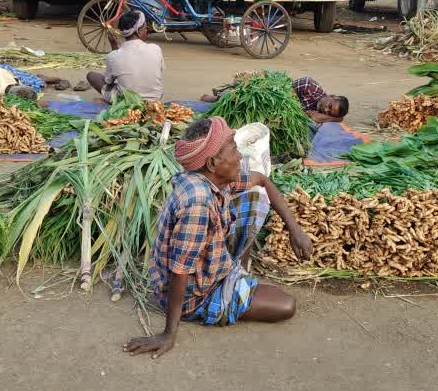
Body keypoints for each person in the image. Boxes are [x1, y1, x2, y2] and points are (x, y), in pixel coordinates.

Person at [124, 117, 313, 359]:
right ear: (213, 163)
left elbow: (263, 180)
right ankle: (206, 302)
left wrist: (294, 229)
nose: (240, 157)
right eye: (234, 150)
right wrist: (169, 333)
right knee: (286, 306)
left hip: (211, 265)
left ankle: (234, 275)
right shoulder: (198, 203)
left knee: (253, 197)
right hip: (195, 295)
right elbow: (180, 271)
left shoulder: (215, 178)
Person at [85, 11, 165, 102]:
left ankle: (112, 102)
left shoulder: (114, 56)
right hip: (155, 99)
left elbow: (108, 81)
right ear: (138, 31)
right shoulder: (156, 49)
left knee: (91, 76)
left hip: (126, 102)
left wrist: (114, 45)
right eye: (144, 27)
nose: (147, 29)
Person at [200, 75, 349, 123]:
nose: (326, 110)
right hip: (273, 95)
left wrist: (328, 118)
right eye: (329, 105)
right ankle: (217, 97)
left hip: (276, 113)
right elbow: (284, 92)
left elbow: (339, 119)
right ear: (331, 96)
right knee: (245, 95)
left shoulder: (321, 114)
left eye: (330, 112)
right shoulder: (310, 86)